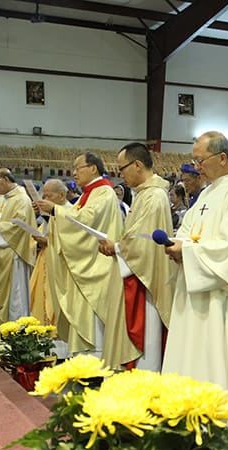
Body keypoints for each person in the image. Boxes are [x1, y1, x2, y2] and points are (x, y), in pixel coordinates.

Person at [163, 131, 228, 442]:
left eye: (200, 160)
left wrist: (188, 251)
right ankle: (194, 418)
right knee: (196, 355)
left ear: (222, 158)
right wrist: (177, 245)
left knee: (227, 356)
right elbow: (189, 231)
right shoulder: (205, 195)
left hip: (226, 298)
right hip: (198, 291)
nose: (197, 167)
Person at [34, 153, 139, 367]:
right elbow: (74, 216)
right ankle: (84, 363)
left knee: (93, 322)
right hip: (85, 266)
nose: (74, 172)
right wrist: (53, 214)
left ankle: (96, 365)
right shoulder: (87, 194)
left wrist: (55, 209)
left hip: (96, 267)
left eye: (78, 167)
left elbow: (86, 221)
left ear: (93, 168)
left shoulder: (104, 192)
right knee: (84, 317)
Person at [98, 143, 175, 372]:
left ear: (138, 164)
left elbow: (145, 243)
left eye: (122, 168)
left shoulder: (154, 197)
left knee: (147, 339)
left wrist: (117, 247)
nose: (120, 174)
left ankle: (145, 383)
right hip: (138, 272)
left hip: (146, 280)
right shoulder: (144, 194)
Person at [0, 169, 36, 323]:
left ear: (6, 180)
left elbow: (17, 227)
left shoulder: (21, 199)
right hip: (5, 251)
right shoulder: (9, 199)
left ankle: (15, 325)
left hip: (15, 252)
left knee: (16, 292)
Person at [29, 179, 69, 326]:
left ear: (62, 195)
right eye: (43, 196)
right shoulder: (48, 212)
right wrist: (37, 242)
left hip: (61, 265)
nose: (45, 200)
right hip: (45, 259)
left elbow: (72, 240)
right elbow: (44, 232)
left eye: (49, 196)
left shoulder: (70, 212)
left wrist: (48, 242)